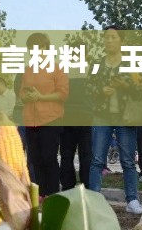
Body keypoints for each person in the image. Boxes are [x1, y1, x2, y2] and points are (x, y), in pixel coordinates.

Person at [87, 26, 142, 214]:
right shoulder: (97, 64)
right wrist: (100, 91)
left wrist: (125, 86)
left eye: (113, 37)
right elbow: (89, 86)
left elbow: (141, 90)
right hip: (102, 115)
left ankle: (132, 199)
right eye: (106, 37)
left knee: (128, 160)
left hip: (125, 116)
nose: (109, 40)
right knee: (97, 159)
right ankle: (94, 199)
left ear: (121, 40)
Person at [21, 33, 69, 198]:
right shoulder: (28, 70)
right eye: (30, 48)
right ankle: (41, 194)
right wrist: (27, 97)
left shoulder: (57, 68)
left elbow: (63, 94)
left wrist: (41, 97)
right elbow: (22, 93)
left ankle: (53, 193)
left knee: (49, 157)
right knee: (35, 159)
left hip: (51, 119)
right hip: (31, 119)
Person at [60, 77, 92, 190]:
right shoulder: (89, 74)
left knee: (66, 155)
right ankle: (86, 186)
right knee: (86, 155)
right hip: (86, 115)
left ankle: (67, 186)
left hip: (67, 116)